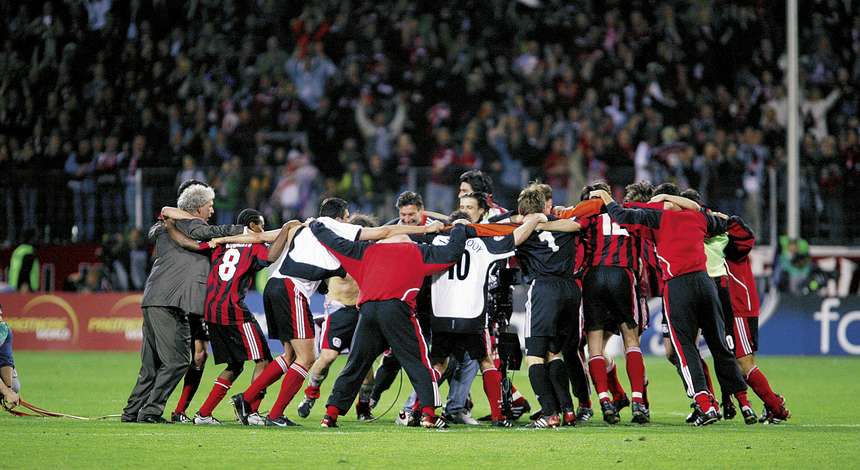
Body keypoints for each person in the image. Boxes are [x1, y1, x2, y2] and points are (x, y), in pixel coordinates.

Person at [232, 198, 442, 427]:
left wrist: (222, 238)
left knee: (290, 355)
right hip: (293, 289)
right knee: (307, 358)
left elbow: (261, 237)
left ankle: (246, 400)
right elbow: (385, 231)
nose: (349, 222)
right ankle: (274, 414)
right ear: (340, 217)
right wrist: (426, 229)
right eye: (347, 218)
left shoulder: (303, 226)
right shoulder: (336, 227)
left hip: (275, 285)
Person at [592, 187, 748, 426]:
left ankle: (705, 404)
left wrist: (606, 197)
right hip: (706, 283)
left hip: (678, 286)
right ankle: (743, 402)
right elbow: (723, 223)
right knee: (718, 344)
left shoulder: (659, 217)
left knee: (684, 349)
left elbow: (622, 215)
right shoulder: (697, 217)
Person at [311, 217, 471, 429]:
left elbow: (333, 242)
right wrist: (460, 228)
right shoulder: (417, 251)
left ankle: (330, 414)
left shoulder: (364, 251)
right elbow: (452, 253)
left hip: (367, 311)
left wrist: (315, 226)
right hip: (397, 310)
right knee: (418, 362)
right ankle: (428, 415)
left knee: (356, 364)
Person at [122, 181, 244, 424]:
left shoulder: (164, 227)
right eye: (209, 205)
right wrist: (241, 230)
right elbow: (205, 232)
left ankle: (132, 411)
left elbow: (155, 229)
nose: (212, 210)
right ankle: (150, 411)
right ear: (197, 208)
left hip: (154, 298)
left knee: (151, 365)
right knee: (177, 362)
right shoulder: (194, 225)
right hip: (172, 303)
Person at [682, 189, 790, 424]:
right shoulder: (697, 233)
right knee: (732, 360)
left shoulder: (723, 230)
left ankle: (776, 406)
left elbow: (747, 236)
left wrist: (724, 219)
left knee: (744, 364)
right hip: (725, 305)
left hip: (738, 305)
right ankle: (748, 403)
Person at [428, 208, 544, 427]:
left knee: (439, 364)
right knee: (486, 362)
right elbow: (515, 238)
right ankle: (499, 416)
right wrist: (535, 219)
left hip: (442, 315)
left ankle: (423, 413)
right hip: (471, 315)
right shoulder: (482, 244)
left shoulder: (435, 242)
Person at [190, 209, 294, 425]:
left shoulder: (221, 243)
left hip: (211, 307)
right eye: (261, 225)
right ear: (252, 225)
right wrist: (286, 230)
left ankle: (203, 414)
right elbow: (270, 257)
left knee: (236, 363)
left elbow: (196, 247)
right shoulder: (255, 245)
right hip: (233, 308)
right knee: (264, 359)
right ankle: (251, 411)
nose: (263, 230)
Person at [576, 182, 650, 424]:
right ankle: (639, 401)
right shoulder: (629, 214)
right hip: (622, 275)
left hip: (594, 276)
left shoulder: (587, 217)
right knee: (631, 340)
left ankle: (604, 400)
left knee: (594, 346)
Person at [296, 214, 379, 421]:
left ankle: (363, 407)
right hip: (339, 311)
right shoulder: (336, 252)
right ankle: (310, 395)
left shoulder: (372, 255)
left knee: (365, 367)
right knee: (327, 357)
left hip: (362, 312)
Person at [514, 185, 583, 428]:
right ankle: (568, 410)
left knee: (534, 357)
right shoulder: (564, 224)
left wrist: (530, 222)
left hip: (544, 289)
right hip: (570, 289)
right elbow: (578, 225)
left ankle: (549, 413)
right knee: (554, 353)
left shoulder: (524, 229)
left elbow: (512, 239)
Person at [0, 304, 21, 410]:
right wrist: (7, 392)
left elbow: (6, 359)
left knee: (15, 387)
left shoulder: (3, 329)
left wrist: (8, 389)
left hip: (4, 368)